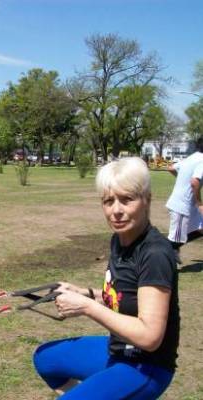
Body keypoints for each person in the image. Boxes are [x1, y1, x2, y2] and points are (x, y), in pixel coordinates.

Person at [33, 157, 179, 399]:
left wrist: (87, 307)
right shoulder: (120, 240)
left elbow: (150, 337)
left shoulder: (155, 254)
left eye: (127, 199)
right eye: (108, 201)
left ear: (147, 199)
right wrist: (84, 293)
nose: (116, 210)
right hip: (118, 349)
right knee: (46, 359)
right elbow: (126, 297)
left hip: (146, 365)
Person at [165, 136, 203, 258]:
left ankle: (173, 249)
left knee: (201, 228)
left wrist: (182, 178)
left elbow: (170, 168)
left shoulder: (192, 157)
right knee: (175, 240)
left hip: (187, 205)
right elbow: (194, 182)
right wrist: (200, 204)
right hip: (181, 206)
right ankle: (164, 253)